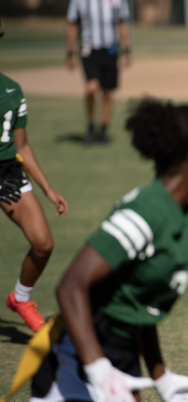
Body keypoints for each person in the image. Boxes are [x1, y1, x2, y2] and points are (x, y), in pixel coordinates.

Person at [30, 98, 188, 402]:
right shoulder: (147, 211)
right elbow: (70, 286)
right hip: (76, 365)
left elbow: (138, 302)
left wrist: (161, 378)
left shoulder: (180, 213)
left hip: (121, 358)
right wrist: (97, 369)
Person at [0, 19, 69, 333]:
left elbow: (22, 145)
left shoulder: (12, 90)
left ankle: (20, 298)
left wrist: (48, 189)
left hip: (8, 174)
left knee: (43, 243)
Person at [65, 0, 131, 144]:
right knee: (91, 88)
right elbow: (72, 24)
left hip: (110, 49)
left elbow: (122, 23)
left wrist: (126, 50)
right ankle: (90, 126)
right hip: (89, 50)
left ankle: (103, 130)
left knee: (107, 92)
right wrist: (70, 52)